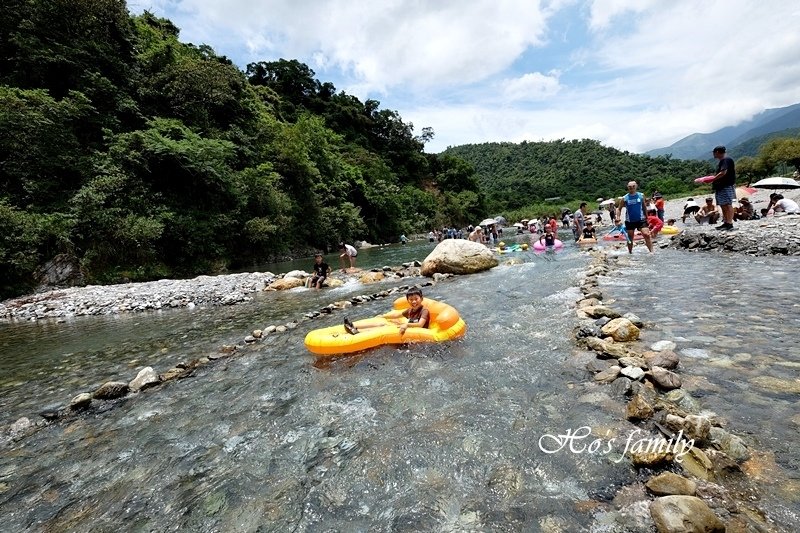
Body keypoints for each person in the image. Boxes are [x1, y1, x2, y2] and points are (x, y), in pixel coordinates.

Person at [343, 287, 430, 335]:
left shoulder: (424, 311)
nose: (414, 301)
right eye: (411, 299)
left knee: (385, 328)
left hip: (419, 333)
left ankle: (359, 332)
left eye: (416, 299)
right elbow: (397, 315)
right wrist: (384, 316)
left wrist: (406, 324)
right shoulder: (410, 310)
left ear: (421, 299)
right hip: (410, 329)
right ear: (408, 301)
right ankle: (353, 326)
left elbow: (420, 324)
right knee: (382, 323)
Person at [615, 181, 653, 254]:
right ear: (627, 187)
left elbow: (644, 207)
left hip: (641, 219)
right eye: (630, 187)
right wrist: (618, 218)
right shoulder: (624, 198)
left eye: (633, 186)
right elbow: (618, 209)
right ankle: (630, 253)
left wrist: (647, 217)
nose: (631, 188)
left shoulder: (641, 195)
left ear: (636, 186)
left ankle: (652, 252)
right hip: (630, 221)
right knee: (630, 238)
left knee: (646, 235)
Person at [711, 146, 736, 230]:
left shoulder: (726, 160)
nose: (713, 154)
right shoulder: (723, 161)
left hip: (726, 186)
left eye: (714, 152)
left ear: (717, 152)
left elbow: (723, 172)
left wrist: (713, 179)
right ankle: (726, 222)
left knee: (728, 204)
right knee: (723, 205)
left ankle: (729, 223)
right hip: (721, 187)